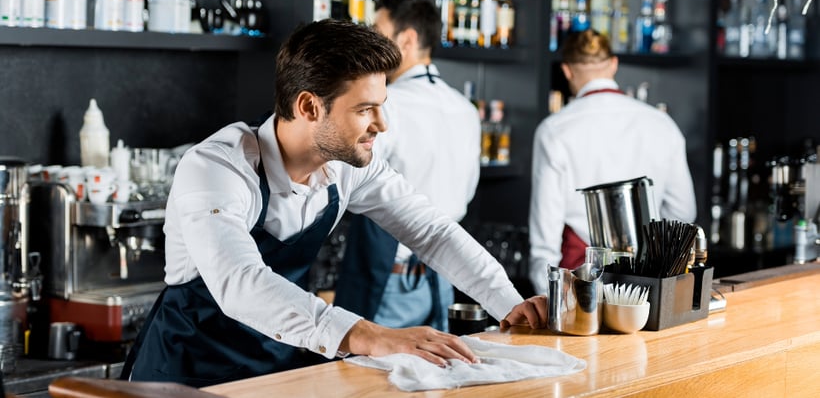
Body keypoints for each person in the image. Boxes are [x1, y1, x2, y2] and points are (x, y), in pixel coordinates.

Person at [122, 19, 545, 387]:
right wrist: (367, 334)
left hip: (276, 371)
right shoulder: (217, 167)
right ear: (308, 106)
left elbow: (430, 232)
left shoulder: (350, 167)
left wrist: (508, 303)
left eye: (381, 106)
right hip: (187, 375)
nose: (382, 125)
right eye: (365, 109)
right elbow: (240, 283)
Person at [333, 0, 480, 332]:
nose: (370, 42)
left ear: (408, 39)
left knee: (362, 380)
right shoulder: (465, 109)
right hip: (444, 275)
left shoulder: (388, 104)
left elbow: (354, 185)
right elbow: (467, 193)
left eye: (377, 31)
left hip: (388, 279)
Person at [528, 29, 697, 295]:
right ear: (614, 64)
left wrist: (549, 300)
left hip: (582, 282)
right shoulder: (661, 124)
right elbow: (683, 213)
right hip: (650, 281)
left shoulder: (554, 129)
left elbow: (544, 237)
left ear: (567, 71)